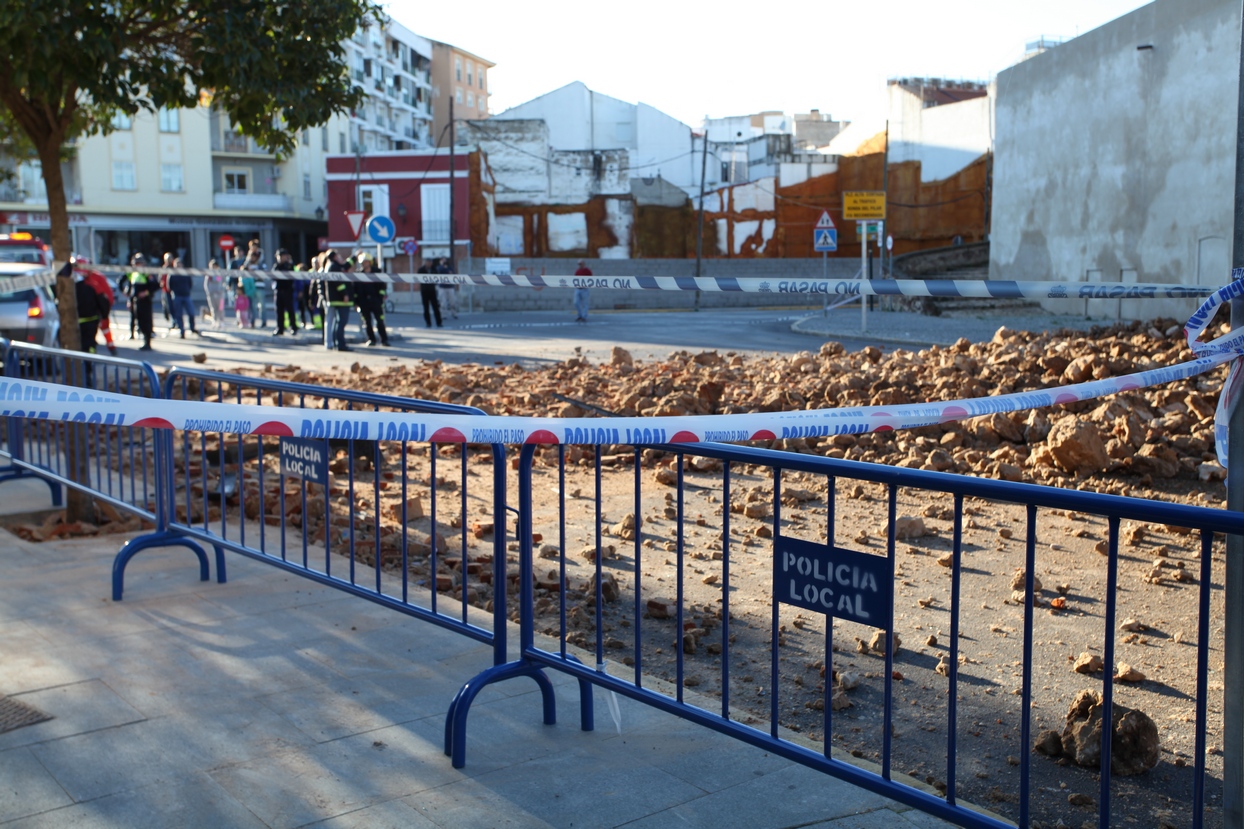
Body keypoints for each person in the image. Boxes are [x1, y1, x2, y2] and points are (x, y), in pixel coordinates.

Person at [73, 256, 117, 355]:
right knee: (87, 342)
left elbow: (107, 295)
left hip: (94, 316)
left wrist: (104, 312)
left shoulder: (97, 279)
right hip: (89, 318)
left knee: (103, 329)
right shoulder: (75, 283)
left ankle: (111, 347)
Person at [353, 253, 389, 347]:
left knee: (380, 322)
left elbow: (383, 287)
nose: (365, 264)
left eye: (366, 262)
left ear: (370, 262)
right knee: (367, 322)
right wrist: (356, 303)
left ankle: (384, 340)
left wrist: (380, 298)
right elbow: (355, 290)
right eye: (363, 262)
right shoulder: (358, 274)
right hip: (363, 303)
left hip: (376, 301)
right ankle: (371, 339)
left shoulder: (377, 272)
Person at [323, 250, 354, 351]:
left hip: (336, 299)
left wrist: (354, 257)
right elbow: (339, 283)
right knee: (341, 322)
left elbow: (346, 266)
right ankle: (341, 344)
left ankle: (336, 342)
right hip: (340, 300)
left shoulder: (333, 266)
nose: (341, 257)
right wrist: (345, 294)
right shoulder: (334, 267)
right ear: (335, 257)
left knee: (337, 322)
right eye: (339, 256)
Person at [127, 252, 157, 351]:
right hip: (136, 301)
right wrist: (130, 300)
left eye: (137, 263)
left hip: (145, 301)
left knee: (146, 322)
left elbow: (155, 285)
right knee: (139, 321)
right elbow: (132, 288)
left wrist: (146, 293)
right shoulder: (134, 273)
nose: (135, 265)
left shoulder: (146, 272)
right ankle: (144, 340)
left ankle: (147, 343)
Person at [168, 257, 198, 338]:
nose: (178, 266)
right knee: (179, 314)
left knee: (191, 313)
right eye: (177, 264)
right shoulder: (172, 274)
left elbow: (190, 283)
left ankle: (192, 328)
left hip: (186, 295)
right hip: (177, 296)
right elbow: (169, 286)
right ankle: (182, 331)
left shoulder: (185, 273)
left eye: (179, 264)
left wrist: (187, 290)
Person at [272, 248, 298, 335]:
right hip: (278, 291)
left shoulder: (289, 265)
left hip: (287, 290)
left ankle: (293, 327)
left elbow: (292, 276)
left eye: (282, 256)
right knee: (279, 311)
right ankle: (280, 328)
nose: (281, 258)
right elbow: (273, 277)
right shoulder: (276, 266)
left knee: (290, 310)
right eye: (279, 256)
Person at [419, 258, 442, 328]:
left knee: (435, 307)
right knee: (426, 308)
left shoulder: (434, 269)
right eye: (428, 262)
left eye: (430, 262)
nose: (429, 264)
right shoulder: (421, 270)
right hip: (424, 291)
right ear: (425, 262)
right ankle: (428, 323)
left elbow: (437, 277)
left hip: (432, 290)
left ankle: (439, 322)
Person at [204, 258, 226, 329]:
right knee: (213, 308)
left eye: (214, 266)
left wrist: (222, 290)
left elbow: (222, 282)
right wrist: (208, 292)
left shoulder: (220, 273)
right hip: (211, 294)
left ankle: (221, 322)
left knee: (221, 308)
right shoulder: (208, 275)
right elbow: (206, 284)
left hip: (220, 294)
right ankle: (215, 321)